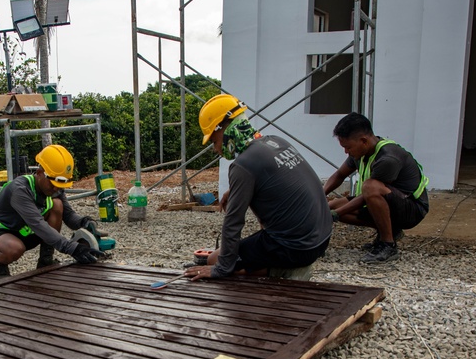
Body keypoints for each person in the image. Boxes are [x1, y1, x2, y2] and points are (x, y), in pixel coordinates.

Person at [184, 94, 332, 283]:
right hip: (322, 238)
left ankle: (284, 273)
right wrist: (235, 190)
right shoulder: (275, 141)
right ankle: (278, 264)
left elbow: (233, 222)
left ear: (225, 129)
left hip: (297, 248)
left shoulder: (243, 165)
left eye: (214, 141)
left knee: (214, 259)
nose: (215, 148)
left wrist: (221, 268)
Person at [0, 144, 104, 280]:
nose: (55, 189)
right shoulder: (19, 190)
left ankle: (45, 261)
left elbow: (68, 215)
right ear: (40, 173)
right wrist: (72, 248)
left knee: (57, 205)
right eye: (52, 184)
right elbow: (38, 224)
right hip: (0, 235)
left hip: (26, 232)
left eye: (59, 186)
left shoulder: (54, 187)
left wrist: (85, 222)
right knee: (14, 248)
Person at [324, 112, 429, 263]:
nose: (346, 152)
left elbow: (369, 194)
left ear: (363, 141)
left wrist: (336, 215)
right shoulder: (360, 154)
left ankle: (388, 244)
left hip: (412, 209)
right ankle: (392, 231)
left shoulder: (388, 158)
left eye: (348, 147)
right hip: (388, 203)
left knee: (370, 187)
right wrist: (319, 197)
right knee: (330, 206)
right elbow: (339, 175)